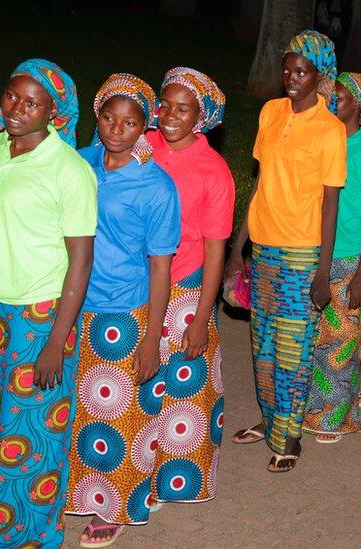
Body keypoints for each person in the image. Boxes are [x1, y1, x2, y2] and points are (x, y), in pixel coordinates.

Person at [0, 58, 95, 549]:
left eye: (32, 102)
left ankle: (16, 536)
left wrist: (56, 343)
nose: (17, 109)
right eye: (12, 96)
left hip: (38, 319)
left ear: (54, 112)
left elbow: (80, 262)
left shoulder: (70, 170)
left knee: (28, 437)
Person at [65, 73, 181, 547]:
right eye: (109, 118)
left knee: (118, 416)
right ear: (98, 118)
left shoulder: (156, 186)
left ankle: (115, 508)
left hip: (122, 309)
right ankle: (77, 495)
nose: (117, 129)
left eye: (130, 121)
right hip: (71, 304)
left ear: (144, 126)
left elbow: (161, 268)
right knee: (77, 412)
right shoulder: (80, 163)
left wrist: (152, 337)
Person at [226, 30, 346, 473]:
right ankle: (271, 418)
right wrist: (239, 248)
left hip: (302, 253)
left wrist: (323, 272)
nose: (292, 79)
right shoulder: (271, 112)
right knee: (265, 345)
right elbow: (258, 182)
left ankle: (290, 435)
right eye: (288, 70)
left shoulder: (330, 129)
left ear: (320, 76)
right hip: (265, 248)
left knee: (295, 349)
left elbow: (330, 205)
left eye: (303, 72)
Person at [146, 67, 233, 508]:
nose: (171, 116)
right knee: (137, 384)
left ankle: (172, 481)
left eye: (184, 109)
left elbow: (216, 250)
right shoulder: (144, 146)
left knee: (180, 388)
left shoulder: (213, 171)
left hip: (185, 284)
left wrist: (202, 316)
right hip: (135, 282)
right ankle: (133, 474)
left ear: (200, 115)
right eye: (166, 106)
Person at [302, 72, 361, 441]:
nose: (331, 101)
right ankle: (314, 408)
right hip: (313, 252)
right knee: (315, 340)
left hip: (349, 257)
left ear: (359, 106)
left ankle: (335, 418)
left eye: (339, 97)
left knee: (342, 345)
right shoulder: (322, 139)